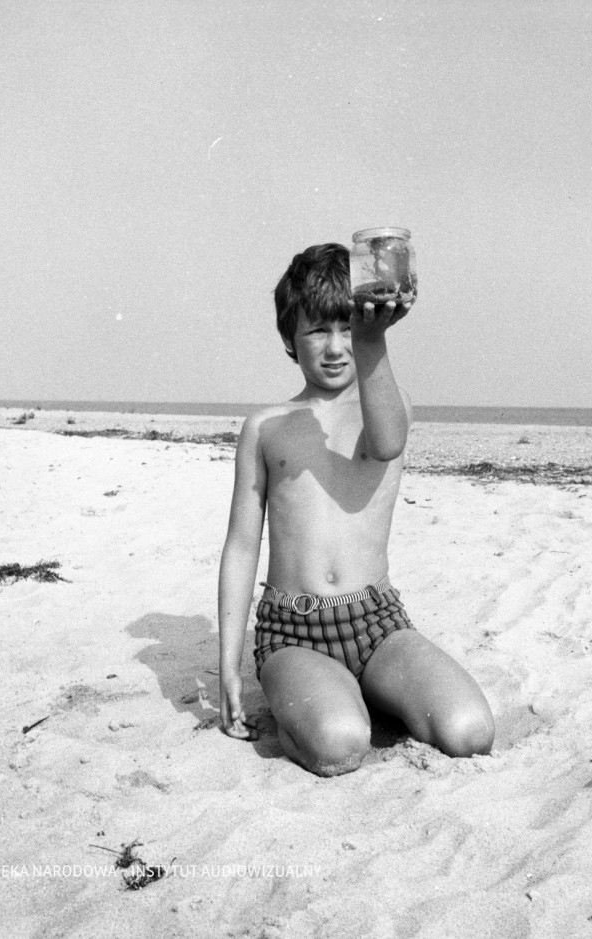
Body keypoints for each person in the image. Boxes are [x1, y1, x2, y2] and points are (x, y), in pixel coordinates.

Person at [217, 242, 495, 776]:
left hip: (376, 623)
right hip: (293, 631)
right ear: (289, 338)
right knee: (340, 744)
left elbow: (386, 443)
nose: (335, 346)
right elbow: (241, 546)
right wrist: (228, 665)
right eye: (317, 330)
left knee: (470, 731)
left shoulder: (387, 405)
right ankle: (325, 703)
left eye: (348, 328)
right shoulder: (265, 427)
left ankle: (358, 691)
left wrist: (374, 340)